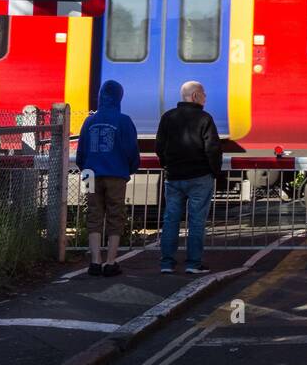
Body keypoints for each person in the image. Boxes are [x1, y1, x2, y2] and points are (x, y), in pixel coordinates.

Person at [155, 80, 222, 275]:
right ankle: (193, 263)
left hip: (174, 177)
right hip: (199, 177)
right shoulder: (205, 118)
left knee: (171, 219)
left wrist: (166, 165)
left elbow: (159, 146)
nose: (205, 98)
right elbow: (213, 149)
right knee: (196, 221)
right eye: (203, 94)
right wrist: (215, 172)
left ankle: (166, 263)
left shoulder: (168, 117)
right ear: (195, 96)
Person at [76, 80, 141, 277]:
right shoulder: (124, 121)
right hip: (116, 173)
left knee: (93, 216)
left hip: (90, 173)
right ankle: (111, 262)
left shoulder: (89, 121)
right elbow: (131, 150)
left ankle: (95, 261)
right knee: (115, 216)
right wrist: (129, 169)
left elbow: (81, 152)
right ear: (119, 97)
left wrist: (85, 168)